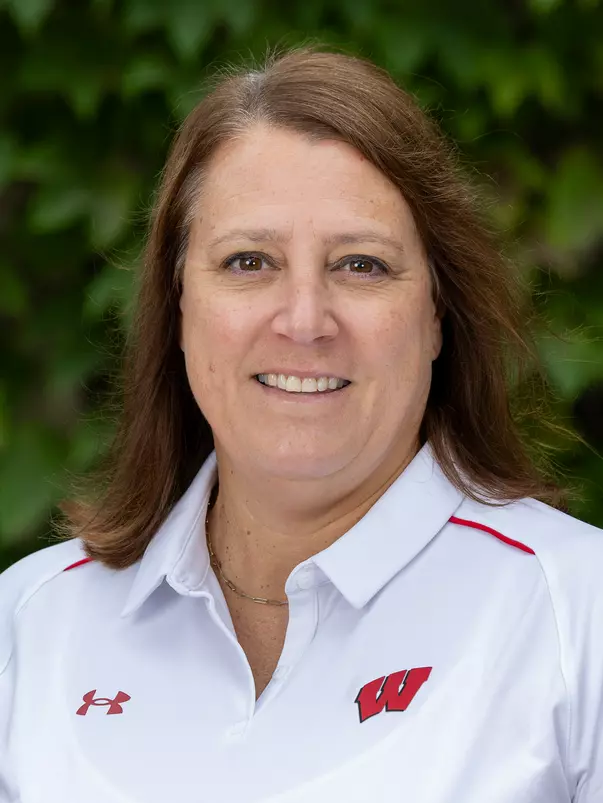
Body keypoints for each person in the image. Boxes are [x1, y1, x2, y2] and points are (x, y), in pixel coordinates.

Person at [0, 45, 602, 803]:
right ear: (177, 308)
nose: (304, 320)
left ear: (438, 314)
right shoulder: (28, 626)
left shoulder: (578, 617)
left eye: (361, 265)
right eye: (249, 262)